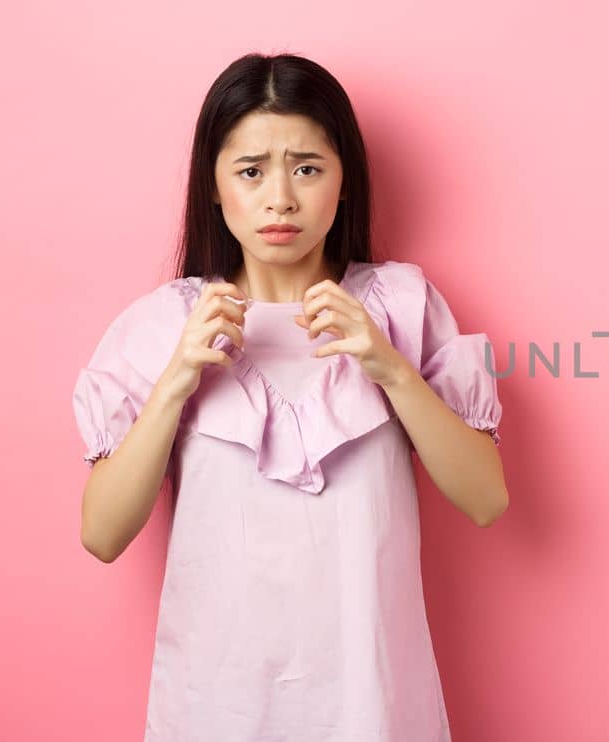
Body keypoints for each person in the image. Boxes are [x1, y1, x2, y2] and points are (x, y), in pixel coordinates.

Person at [71, 52, 505, 741]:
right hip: (217, 705)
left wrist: (390, 368)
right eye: (251, 171)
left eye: (307, 167)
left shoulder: (402, 307)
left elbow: (487, 498)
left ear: (344, 181)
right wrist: (177, 380)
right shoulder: (161, 326)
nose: (281, 198)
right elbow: (102, 534)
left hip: (373, 703)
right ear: (213, 187)